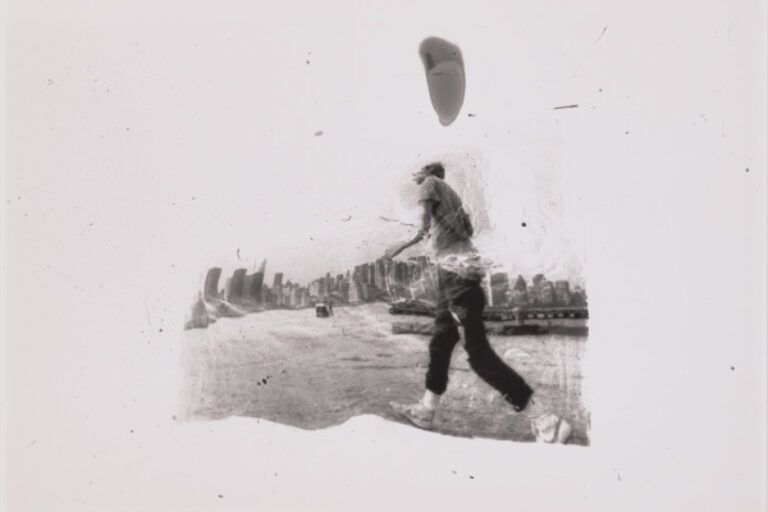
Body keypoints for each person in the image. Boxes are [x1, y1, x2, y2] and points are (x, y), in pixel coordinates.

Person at [385, 162, 534, 429]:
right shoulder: (451, 196)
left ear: (427, 172)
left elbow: (423, 226)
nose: (415, 177)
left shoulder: (431, 183)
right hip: (454, 274)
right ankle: (425, 411)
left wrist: (399, 246)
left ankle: (545, 419)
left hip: (457, 276)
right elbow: (467, 230)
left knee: (478, 355)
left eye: (417, 172)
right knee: (441, 343)